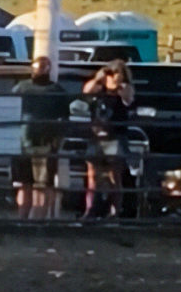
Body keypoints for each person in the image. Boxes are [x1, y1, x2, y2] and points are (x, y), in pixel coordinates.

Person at [12, 56, 68, 220]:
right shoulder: (21, 88)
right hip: (23, 143)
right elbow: (11, 109)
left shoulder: (57, 91)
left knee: (44, 184)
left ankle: (39, 219)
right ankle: (22, 219)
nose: (40, 70)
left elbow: (65, 118)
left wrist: (58, 139)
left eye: (44, 67)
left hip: (46, 144)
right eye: (37, 67)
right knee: (24, 184)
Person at [81, 58, 135, 219]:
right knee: (93, 176)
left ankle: (114, 212)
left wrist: (118, 84)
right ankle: (90, 210)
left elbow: (128, 99)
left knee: (114, 176)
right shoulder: (99, 88)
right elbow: (87, 91)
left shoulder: (125, 88)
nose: (113, 76)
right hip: (96, 136)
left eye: (117, 73)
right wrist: (100, 77)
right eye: (111, 73)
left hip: (115, 136)